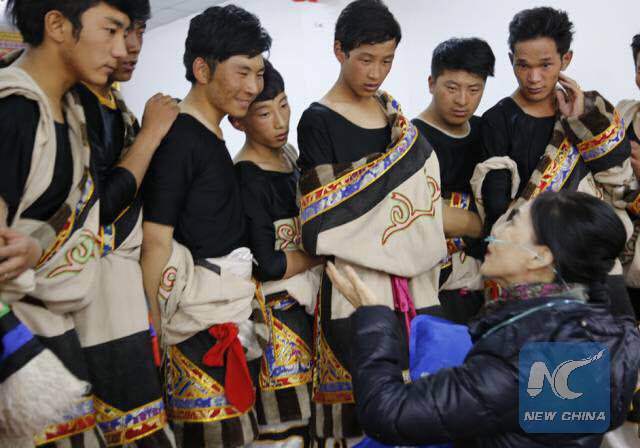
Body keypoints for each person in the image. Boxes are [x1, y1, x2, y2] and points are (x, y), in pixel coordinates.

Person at [296, 0, 479, 442]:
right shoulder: (317, 120)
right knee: (368, 396)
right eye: (365, 59)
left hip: (416, 280)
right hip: (357, 281)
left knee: (421, 392)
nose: (376, 72)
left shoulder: (393, 117)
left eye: (387, 61)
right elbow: (326, 213)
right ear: (339, 51)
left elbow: (414, 193)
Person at [327, 190, 640, 447]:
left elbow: (389, 414)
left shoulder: (526, 357)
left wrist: (373, 317)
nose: (496, 230)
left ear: (540, 256)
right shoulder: (596, 333)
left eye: (513, 222)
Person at [0, 0, 136, 445]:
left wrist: (36, 248)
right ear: (57, 24)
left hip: (53, 330)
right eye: (111, 30)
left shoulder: (74, 111)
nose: (122, 49)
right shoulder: (14, 111)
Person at [140, 5, 271, 447]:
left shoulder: (212, 134)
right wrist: (152, 326)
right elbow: (156, 239)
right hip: (196, 330)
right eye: (242, 73)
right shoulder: (179, 138)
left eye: (259, 73)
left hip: (225, 317)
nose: (253, 87)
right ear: (202, 68)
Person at [476, 6, 635, 316]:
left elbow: (621, 189)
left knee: (616, 353)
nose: (534, 78)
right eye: (523, 65)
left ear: (566, 60)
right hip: (535, 271)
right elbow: (497, 208)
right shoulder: (498, 120)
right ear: (511, 60)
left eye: (546, 65)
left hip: (596, 262)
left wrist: (581, 120)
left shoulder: (592, 110)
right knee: (547, 361)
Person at [73, 1, 179, 445]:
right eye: (117, 31)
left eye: (136, 31)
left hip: (120, 290)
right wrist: (153, 135)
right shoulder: (72, 104)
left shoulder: (112, 103)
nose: (130, 47)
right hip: (90, 292)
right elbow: (95, 208)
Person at [232, 61, 323, 447]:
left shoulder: (288, 154)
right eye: (265, 113)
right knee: (284, 431)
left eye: (284, 105)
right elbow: (268, 263)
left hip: (308, 311)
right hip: (277, 317)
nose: (280, 120)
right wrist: (321, 254)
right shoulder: (245, 175)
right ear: (239, 122)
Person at [412, 37, 495, 324]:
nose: (463, 100)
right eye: (452, 88)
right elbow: (417, 214)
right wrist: (477, 223)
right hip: (432, 282)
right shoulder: (411, 141)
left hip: (482, 279)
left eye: (474, 89)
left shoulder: (486, 130)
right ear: (431, 83)